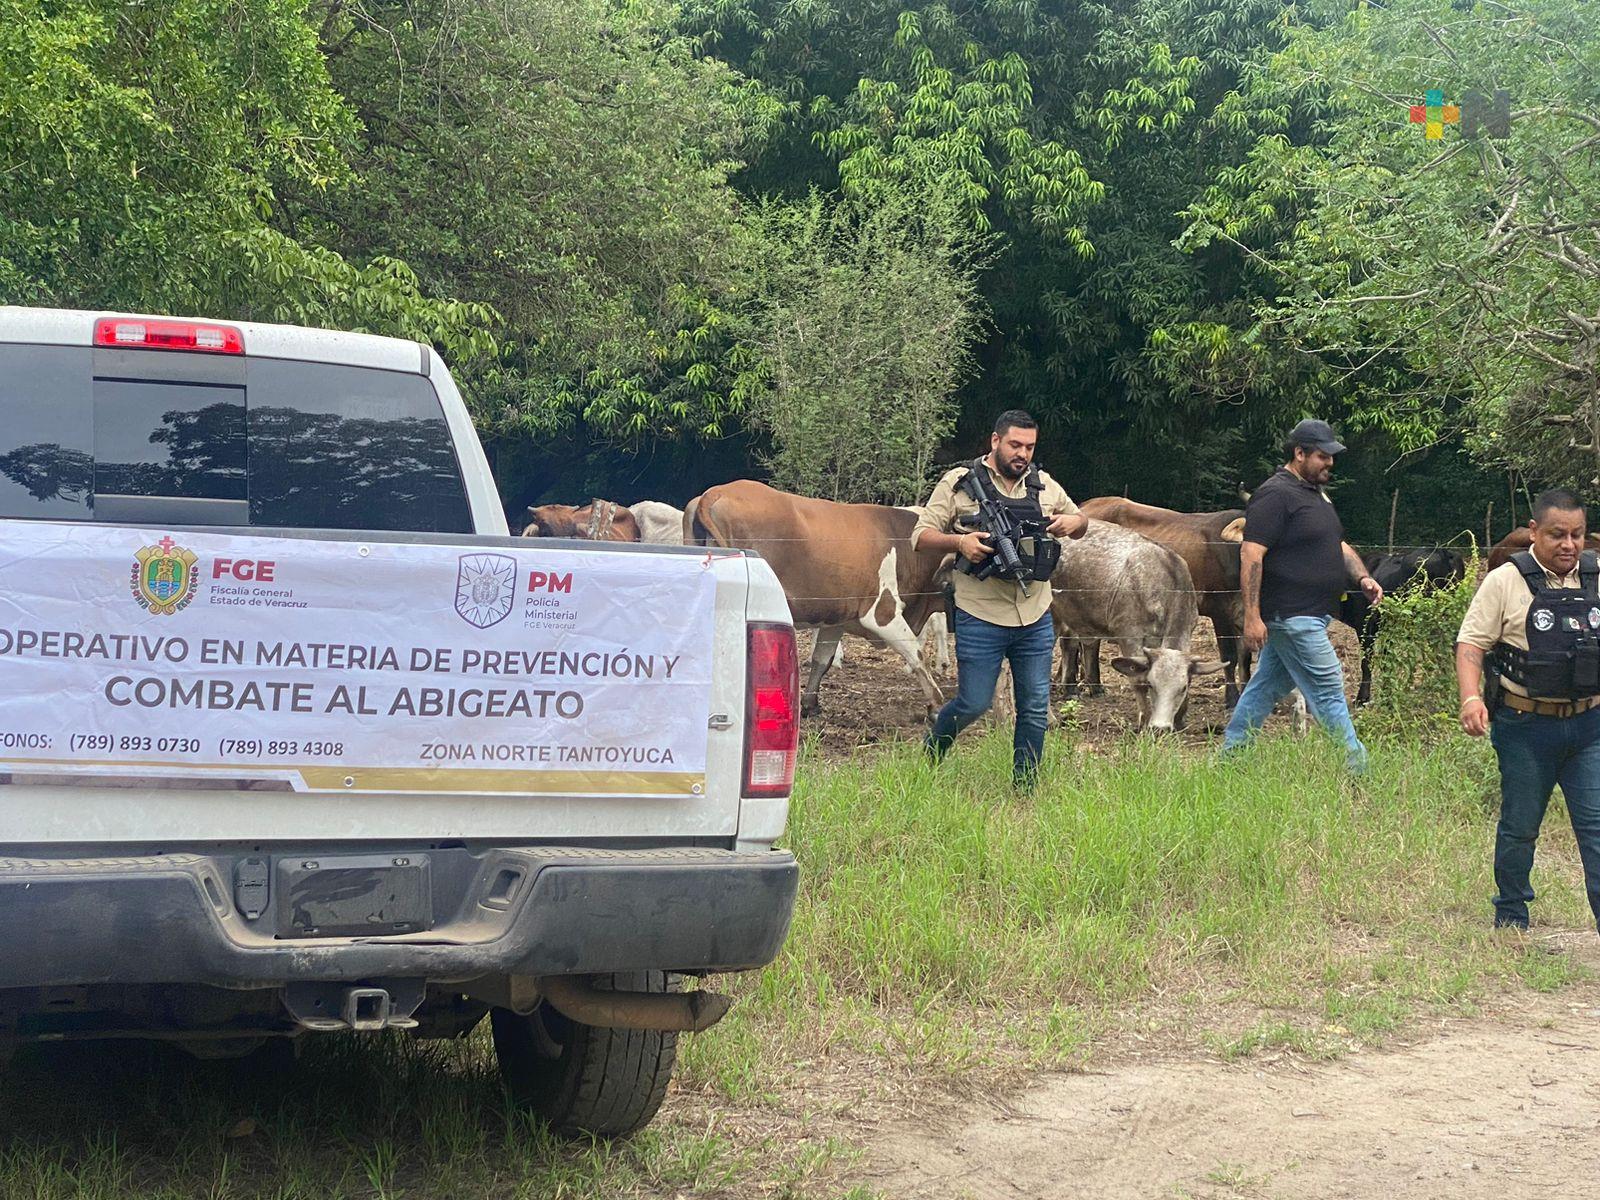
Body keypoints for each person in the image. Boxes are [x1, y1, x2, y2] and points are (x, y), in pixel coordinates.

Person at [912, 410, 1088, 787]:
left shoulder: (1044, 485)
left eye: (1029, 446)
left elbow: (1080, 521)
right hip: (980, 613)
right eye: (1015, 445)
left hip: (1035, 614)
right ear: (995, 441)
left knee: (1035, 709)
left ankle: (1025, 788)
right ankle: (932, 753)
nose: (1022, 453)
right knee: (973, 703)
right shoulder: (958, 483)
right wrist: (960, 542)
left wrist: (1074, 523)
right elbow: (920, 536)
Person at [1456, 488, 1600, 933]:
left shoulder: (1596, 578)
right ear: (1534, 531)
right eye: (1558, 534)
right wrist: (1471, 697)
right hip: (1524, 724)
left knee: (1595, 830)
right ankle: (1512, 915)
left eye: (1577, 535)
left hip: (1589, 726)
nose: (1569, 545)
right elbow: (1471, 644)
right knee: (1520, 826)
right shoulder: (1505, 580)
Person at [1222, 419, 1382, 770]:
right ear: (1299, 453)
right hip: (1293, 616)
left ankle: (1230, 759)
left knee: (1264, 688)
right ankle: (1357, 768)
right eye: (1323, 456)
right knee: (1328, 687)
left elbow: (1335, 544)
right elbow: (1251, 553)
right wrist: (1251, 616)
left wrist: (1362, 577)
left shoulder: (1313, 495)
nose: (1330, 463)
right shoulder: (1274, 495)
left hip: (1310, 614)